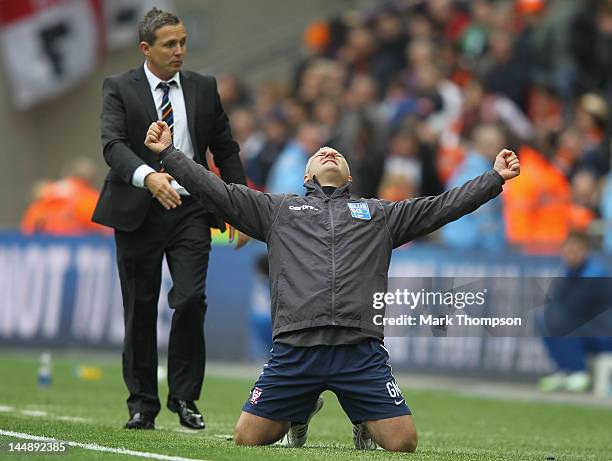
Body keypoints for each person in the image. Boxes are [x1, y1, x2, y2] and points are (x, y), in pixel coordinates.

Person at [144, 119, 520, 452]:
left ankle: (363, 420)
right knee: (248, 437)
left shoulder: (380, 214)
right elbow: (216, 191)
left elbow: (443, 206)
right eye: (320, 153)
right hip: (295, 349)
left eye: (336, 153)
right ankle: (301, 409)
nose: (328, 152)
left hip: (359, 351)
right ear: (305, 177)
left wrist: (493, 179)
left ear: (350, 177)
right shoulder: (278, 211)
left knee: (403, 443)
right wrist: (169, 154)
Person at [91, 8, 248, 430]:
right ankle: (142, 403)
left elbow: (225, 149)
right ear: (146, 48)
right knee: (139, 308)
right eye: (169, 44)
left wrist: (242, 207)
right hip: (138, 210)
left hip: (191, 209)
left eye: (182, 42)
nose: (180, 50)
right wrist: (148, 177)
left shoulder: (202, 87)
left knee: (191, 299)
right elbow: (113, 145)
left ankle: (185, 398)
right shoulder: (119, 87)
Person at [538, 232, 612, 392]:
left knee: (561, 320)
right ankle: (565, 370)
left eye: (576, 250)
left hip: (604, 334)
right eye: (568, 250)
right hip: (586, 330)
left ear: (586, 251)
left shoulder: (595, 274)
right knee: (542, 320)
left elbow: (576, 307)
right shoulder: (568, 273)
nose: (571, 254)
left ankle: (578, 372)